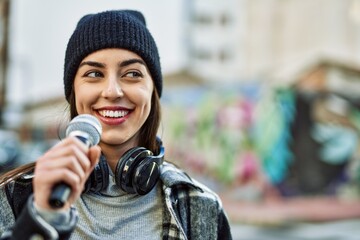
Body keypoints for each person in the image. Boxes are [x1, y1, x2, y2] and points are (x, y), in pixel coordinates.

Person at [0, 10, 232, 240]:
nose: (112, 91)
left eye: (132, 73)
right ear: (74, 91)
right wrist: (40, 221)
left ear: (152, 91)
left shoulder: (202, 207)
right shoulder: (12, 197)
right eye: (93, 73)